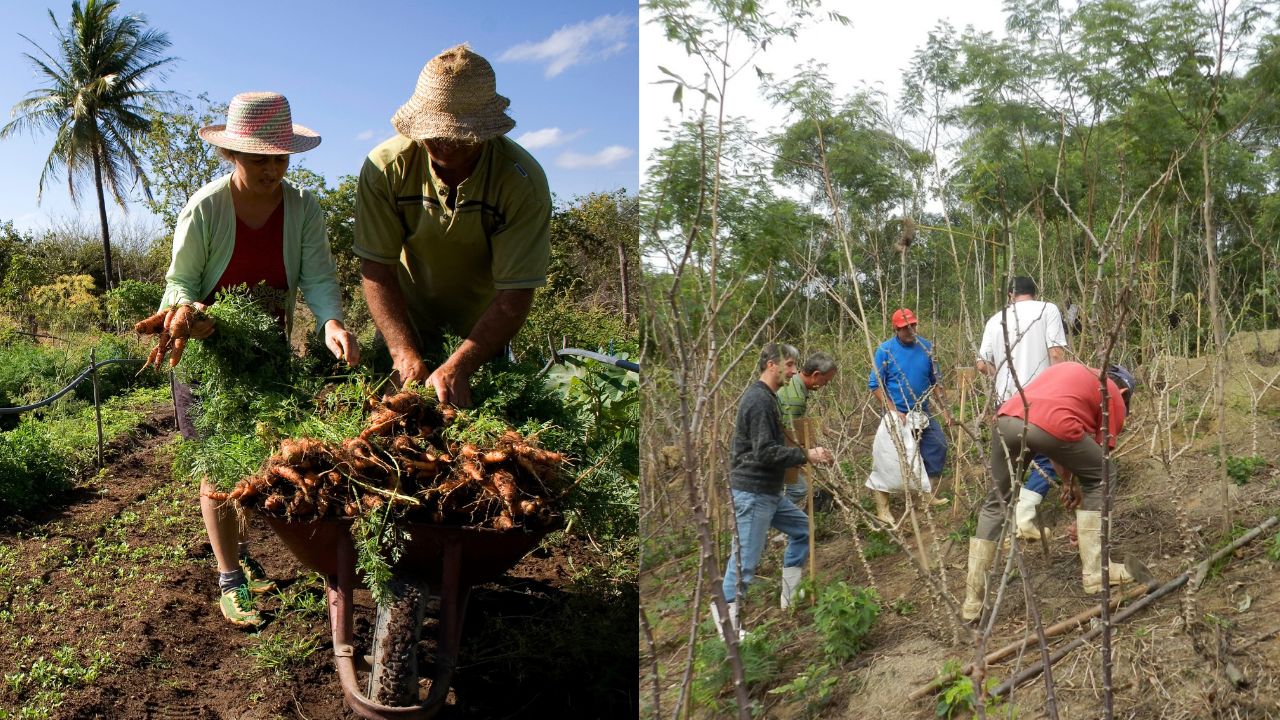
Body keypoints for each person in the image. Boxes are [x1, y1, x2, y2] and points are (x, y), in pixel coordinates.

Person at [162, 91, 360, 627]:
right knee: (215, 465)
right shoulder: (206, 207)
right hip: (205, 351)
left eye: (280, 158)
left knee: (252, 460)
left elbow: (318, 278)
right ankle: (229, 578)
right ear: (233, 156)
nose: (273, 169)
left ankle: (242, 556)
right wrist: (189, 314)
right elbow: (179, 279)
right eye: (259, 159)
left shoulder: (302, 208)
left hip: (266, 351)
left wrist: (330, 322)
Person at [354, 44, 551, 407]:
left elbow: (516, 292)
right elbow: (377, 266)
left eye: (460, 136)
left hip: (480, 336)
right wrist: (402, 351)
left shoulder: (520, 181)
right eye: (434, 133)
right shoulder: (386, 168)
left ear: (484, 131)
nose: (444, 144)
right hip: (403, 322)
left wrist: (462, 363)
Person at [961, 362, 1137, 622]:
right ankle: (1097, 572)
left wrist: (1068, 483)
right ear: (1124, 393)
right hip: (1051, 425)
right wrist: (1087, 516)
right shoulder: (1113, 394)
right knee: (1104, 473)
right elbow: (1099, 463)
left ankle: (972, 603)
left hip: (1007, 420)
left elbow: (1054, 440)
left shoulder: (1068, 371)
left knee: (997, 503)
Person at [712, 344, 835, 640]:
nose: (794, 372)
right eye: (790, 365)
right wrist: (808, 454)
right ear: (771, 364)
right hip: (754, 492)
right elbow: (766, 452)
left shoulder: (768, 399)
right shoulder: (759, 400)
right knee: (744, 564)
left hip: (768, 491)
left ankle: (790, 598)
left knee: (803, 529)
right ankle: (728, 632)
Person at [976, 276, 1067, 542]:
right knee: (1051, 457)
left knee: (1003, 478)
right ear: (1034, 293)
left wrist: (1000, 374)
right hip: (1041, 400)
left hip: (1006, 405)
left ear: (1009, 295)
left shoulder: (996, 319)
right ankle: (1024, 517)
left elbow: (981, 364)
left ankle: (987, 557)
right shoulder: (1047, 309)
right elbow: (1057, 354)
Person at [867, 308, 954, 523]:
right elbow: (874, 384)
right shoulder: (885, 351)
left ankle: (927, 494)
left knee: (938, 446)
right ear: (896, 328)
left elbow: (936, 382)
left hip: (922, 410)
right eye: (905, 327)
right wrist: (892, 410)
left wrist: (945, 410)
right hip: (896, 412)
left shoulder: (926, 347)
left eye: (913, 325)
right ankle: (883, 508)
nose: (910, 330)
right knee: (889, 458)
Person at [776, 351, 838, 508]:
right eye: (825, 381)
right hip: (773, 451)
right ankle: (769, 515)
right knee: (798, 489)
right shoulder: (796, 399)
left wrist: (817, 427)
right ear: (816, 374)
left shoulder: (795, 384)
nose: (825, 385)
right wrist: (808, 455)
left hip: (773, 447)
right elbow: (788, 434)